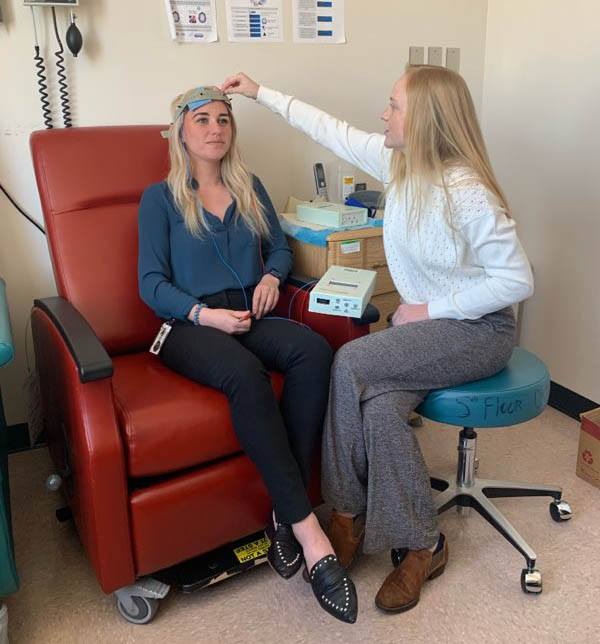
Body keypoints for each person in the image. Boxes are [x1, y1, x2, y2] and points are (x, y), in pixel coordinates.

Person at [221, 67, 534, 613]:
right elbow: (327, 129)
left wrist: (431, 308)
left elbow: (517, 281)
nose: (382, 114)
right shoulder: (399, 165)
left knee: (350, 361)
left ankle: (346, 515)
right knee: (381, 411)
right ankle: (423, 542)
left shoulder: (468, 192)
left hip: (478, 331)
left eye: (393, 106)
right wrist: (261, 93)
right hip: (426, 330)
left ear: (425, 121)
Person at [137, 86, 358, 624]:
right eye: (203, 120)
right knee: (246, 373)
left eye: (224, 120)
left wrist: (270, 276)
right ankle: (309, 534)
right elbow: (150, 283)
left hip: (248, 314)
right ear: (180, 132)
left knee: (310, 349)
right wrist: (202, 315)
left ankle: (283, 511)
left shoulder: (249, 187)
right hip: (188, 325)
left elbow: (280, 246)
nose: (215, 129)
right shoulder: (159, 198)